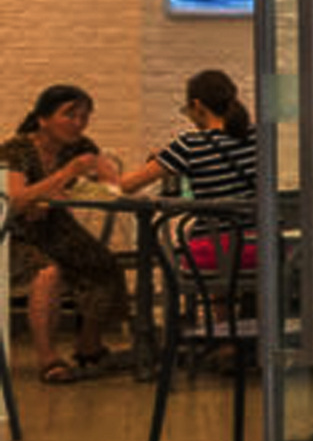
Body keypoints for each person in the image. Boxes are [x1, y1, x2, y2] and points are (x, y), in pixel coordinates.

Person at [0, 84, 130, 383]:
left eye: (84, 116)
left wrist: (95, 181)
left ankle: (89, 346)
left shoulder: (80, 147)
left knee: (103, 264)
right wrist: (67, 174)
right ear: (43, 118)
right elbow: (15, 202)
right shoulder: (16, 150)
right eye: (70, 115)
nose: (78, 123)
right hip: (13, 232)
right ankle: (48, 359)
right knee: (47, 272)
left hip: (54, 225)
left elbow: (114, 185)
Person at [117, 69, 258, 203]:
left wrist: (106, 175)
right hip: (260, 221)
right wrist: (169, 158)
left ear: (197, 105)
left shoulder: (189, 145)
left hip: (213, 222)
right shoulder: (257, 134)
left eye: (187, 110)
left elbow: (127, 186)